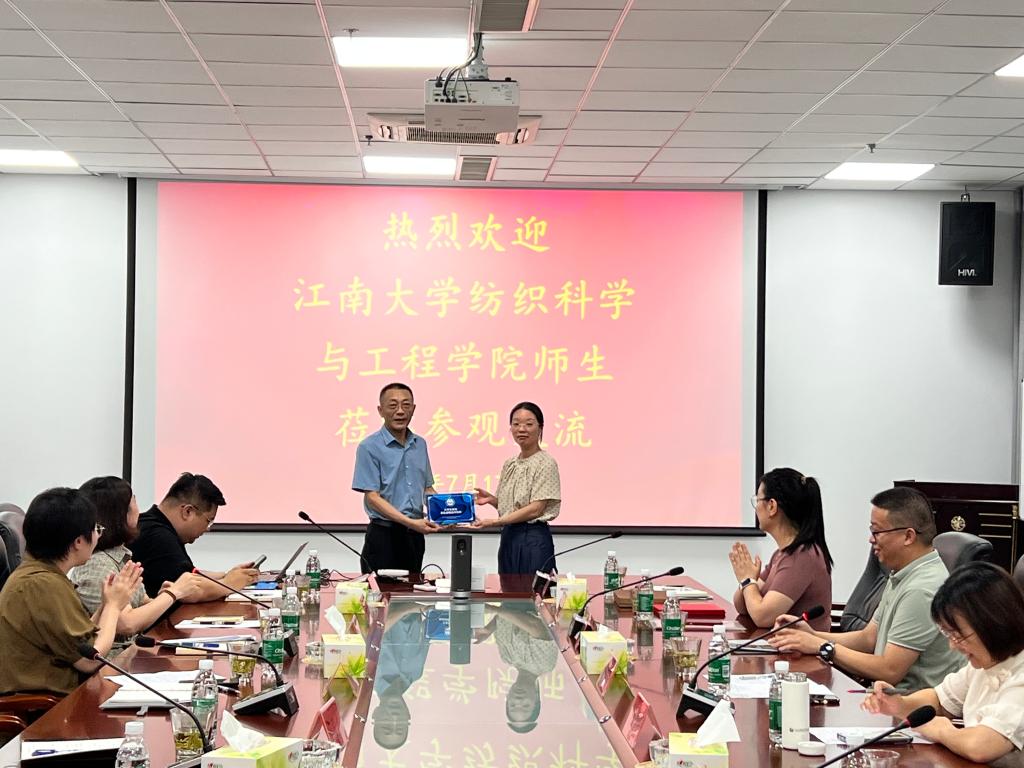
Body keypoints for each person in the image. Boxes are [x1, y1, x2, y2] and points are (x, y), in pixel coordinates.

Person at [769, 487, 962, 691]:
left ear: (908, 536)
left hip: (909, 705)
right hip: (883, 698)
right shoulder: (903, 573)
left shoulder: (921, 589)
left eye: (876, 532)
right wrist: (811, 635)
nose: (871, 540)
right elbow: (868, 639)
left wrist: (822, 647)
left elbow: (890, 670)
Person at [863, 562, 1024, 767]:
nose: (952, 645)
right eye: (949, 634)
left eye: (958, 635)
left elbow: (981, 746)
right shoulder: (986, 663)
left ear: (992, 623)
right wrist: (900, 704)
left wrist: (941, 729)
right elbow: (939, 700)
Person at [0, 488, 139, 695]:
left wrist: (105, 605)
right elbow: (90, 659)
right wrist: (113, 606)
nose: (98, 536)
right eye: (96, 529)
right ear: (78, 542)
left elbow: (80, 643)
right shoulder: (42, 584)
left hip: (63, 695)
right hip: (46, 706)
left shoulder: (43, 576)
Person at [71, 476, 205, 642]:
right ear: (121, 513)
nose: (138, 509)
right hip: (111, 656)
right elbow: (126, 624)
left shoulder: (121, 555)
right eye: (133, 501)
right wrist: (174, 592)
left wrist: (163, 597)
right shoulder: (97, 564)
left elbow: (143, 603)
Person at [730, 468, 833, 631]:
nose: (756, 508)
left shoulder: (802, 556)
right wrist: (748, 581)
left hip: (801, 648)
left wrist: (748, 581)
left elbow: (762, 616)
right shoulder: (781, 554)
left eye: (758, 500)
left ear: (772, 506)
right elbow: (743, 607)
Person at [352, 383, 439, 574]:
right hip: (384, 536)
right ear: (380, 410)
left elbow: (427, 489)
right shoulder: (369, 447)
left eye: (406, 405)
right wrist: (410, 522)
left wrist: (449, 513)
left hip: (414, 537)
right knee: (379, 593)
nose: (400, 411)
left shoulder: (420, 444)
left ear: (413, 409)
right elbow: (372, 497)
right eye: (393, 405)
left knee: (412, 591)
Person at [130, 472, 258, 600]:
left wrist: (228, 575)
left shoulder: (155, 525)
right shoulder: (157, 536)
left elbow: (190, 574)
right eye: (209, 521)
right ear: (188, 511)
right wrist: (228, 584)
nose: (207, 529)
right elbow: (188, 592)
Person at [473, 402, 561, 575]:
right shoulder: (510, 464)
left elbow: (536, 509)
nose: (521, 429)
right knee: (508, 589)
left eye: (529, 424)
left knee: (533, 590)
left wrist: (496, 522)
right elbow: (512, 508)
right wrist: (493, 500)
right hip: (509, 537)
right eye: (516, 424)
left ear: (540, 428)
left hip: (533, 539)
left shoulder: (546, 463)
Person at [372, 600, 429, 750]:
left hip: (384, 595)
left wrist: (409, 608)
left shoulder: (367, 674)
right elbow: (430, 628)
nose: (395, 718)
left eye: (387, 725)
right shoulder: (416, 673)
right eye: (400, 727)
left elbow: (372, 628)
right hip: (420, 594)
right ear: (408, 716)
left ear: (375, 715)